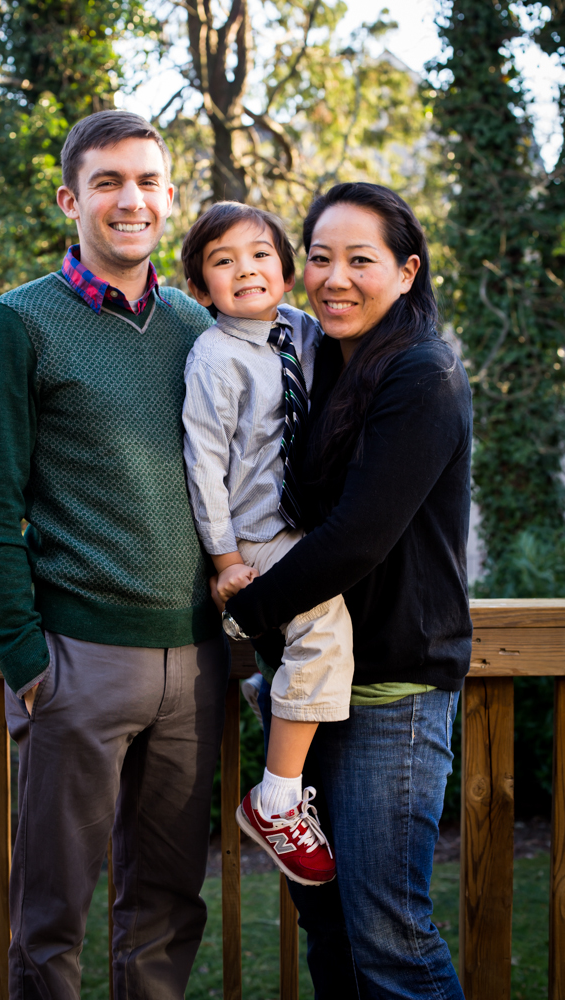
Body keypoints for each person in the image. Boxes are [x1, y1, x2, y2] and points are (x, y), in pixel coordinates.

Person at [0, 110, 228, 1000]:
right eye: (108, 181)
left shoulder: (201, 326)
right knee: (52, 919)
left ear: (169, 198)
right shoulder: (18, 323)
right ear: (72, 198)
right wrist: (28, 663)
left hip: (196, 664)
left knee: (166, 910)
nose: (130, 199)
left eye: (148, 180)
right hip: (77, 663)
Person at [225, 182, 472, 999]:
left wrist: (245, 612)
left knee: (390, 940)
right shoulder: (322, 361)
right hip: (312, 696)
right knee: (329, 936)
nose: (335, 277)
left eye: (359, 260)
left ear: (406, 272)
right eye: (321, 258)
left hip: (389, 698)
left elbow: (354, 540)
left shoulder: (421, 374)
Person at [181, 202, 354, 887]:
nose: (244, 269)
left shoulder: (310, 334)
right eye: (222, 262)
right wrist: (225, 561)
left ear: (286, 271)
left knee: (329, 616)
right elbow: (202, 462)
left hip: (306, 524)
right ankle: (275, 799)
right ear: (201, 290)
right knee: (324, 628)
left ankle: (267, 688)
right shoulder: (213, 357)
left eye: (258, 255)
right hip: (258, 533)